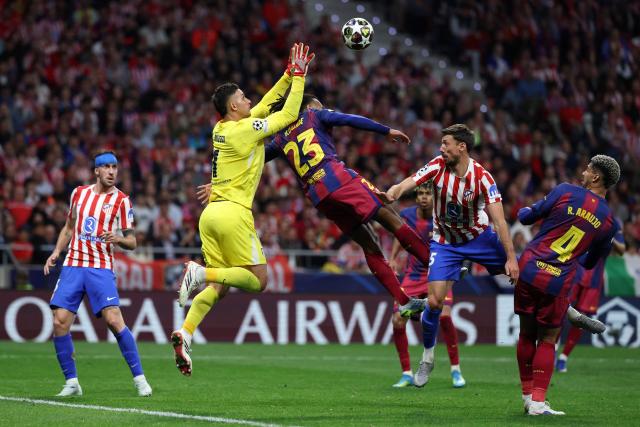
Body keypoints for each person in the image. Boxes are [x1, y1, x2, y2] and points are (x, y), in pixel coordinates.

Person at [196, 94, 430, 319]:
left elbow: (251, 159)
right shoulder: (313, 116)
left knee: (369, 243)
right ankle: (436, 265)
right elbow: (349, 119)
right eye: (319, 105)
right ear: (309, 107)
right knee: (390, 217)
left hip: (319, 196)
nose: (322, 108)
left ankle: (404, 301)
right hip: (337, 178)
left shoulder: (280, 138)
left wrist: (218, 183)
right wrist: (386, 130)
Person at [171, 43, 314, 376]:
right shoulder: (244, 131)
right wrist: (301, 79)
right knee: (258, 279)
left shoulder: (222, 128)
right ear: (234, 105)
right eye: (244, 98)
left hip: (210, 216)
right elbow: (288, 114)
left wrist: (287, 74)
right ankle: (199, 273)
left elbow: (263, 106)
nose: (251, 100)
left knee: (219, 289)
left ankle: (185, 332)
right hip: (234, 213)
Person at [378, 123, 519, 388]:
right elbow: (410, 181)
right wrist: (394, 192)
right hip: (445, 243)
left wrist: (510, 258)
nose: (441, 148)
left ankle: (565, 309)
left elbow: (500, 222)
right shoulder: (436, 166)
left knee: (520, 274)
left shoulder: (483, 178)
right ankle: (428, 357)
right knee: (434, 303)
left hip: (479, 238)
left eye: (446, 144)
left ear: (461, 147)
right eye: (442, 144)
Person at [515, 155, 621, 415]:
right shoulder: (609, 221)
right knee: (548, 339)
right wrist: (573, 253)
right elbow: (591, 262)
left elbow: (526, 217)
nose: (583, 172)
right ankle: (539, 403)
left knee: (526, 334)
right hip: (558, 281)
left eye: (588, 169)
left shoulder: (564, 191)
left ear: (596, 177)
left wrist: (529, 210)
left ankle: (527, 397)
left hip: (529, 270)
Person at [44, 151, 152, 397]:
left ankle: (140, 379)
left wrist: (118, 238)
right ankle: (72, 383)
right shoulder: (78, 194)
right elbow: (69, 227)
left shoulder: (122, 201)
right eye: (107, 167)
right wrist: (56, 252)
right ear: (96, 171)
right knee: (60, 321)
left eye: (115, 167)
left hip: (100, 267)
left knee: (114, 320)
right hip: (73, 263)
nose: (112, 172)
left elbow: (133, 242)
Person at [388, 183, 466, 388]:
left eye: (427, 194)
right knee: (397, 319)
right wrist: (394, 258)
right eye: (420, 194)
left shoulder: (445, 215)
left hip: (438, 273)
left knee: (446, 315)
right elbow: (400, 235)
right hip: (414, 275)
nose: (423, 197)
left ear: (434, 197)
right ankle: (406, 373)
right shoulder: (407, 215)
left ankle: (455, 370)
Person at [556, 230, 625, 373]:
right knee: (561, 310)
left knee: (582, 320)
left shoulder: (612, 224)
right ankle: (553, 348)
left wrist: (609, 237)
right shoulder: (583, 212)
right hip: (575, 272)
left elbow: (621, 250)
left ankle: (563, 358)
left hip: (594, 279)